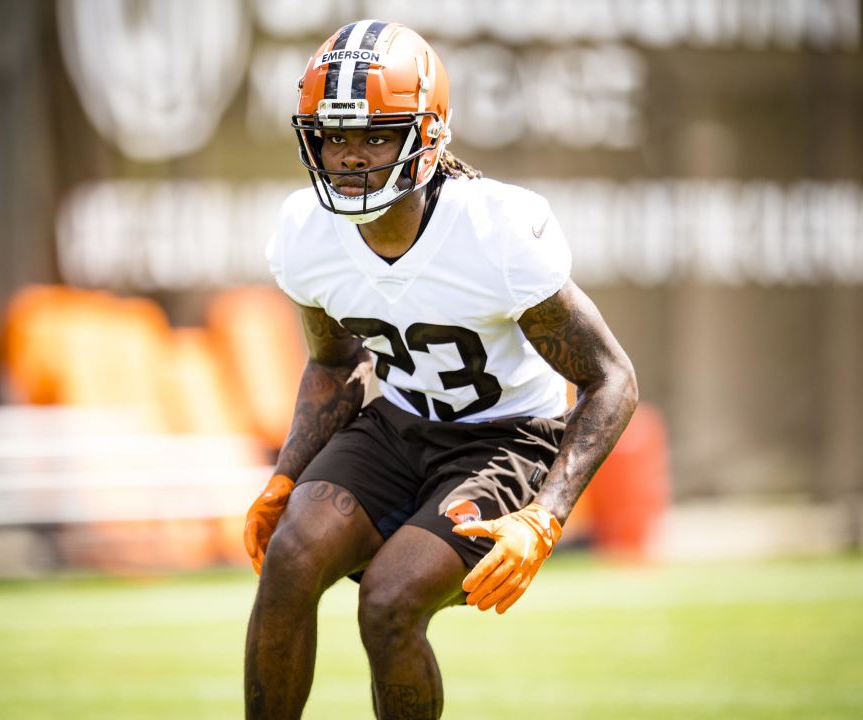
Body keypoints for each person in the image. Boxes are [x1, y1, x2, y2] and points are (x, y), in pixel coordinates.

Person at [243, 19, 638, 720]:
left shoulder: (494, 232)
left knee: (388, 600)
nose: (350, 157)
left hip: (505, 437)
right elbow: (336, 365)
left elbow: (612, 379)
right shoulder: (308, 233)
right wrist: (285, 475)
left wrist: (545, 517)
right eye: (336, 135)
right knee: (290, 557)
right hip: (398, 426)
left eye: (375, 134)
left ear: (425, 136)